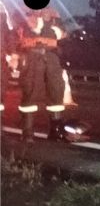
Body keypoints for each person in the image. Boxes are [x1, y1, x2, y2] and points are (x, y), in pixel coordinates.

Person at [17, 8, 67, 142]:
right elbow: (26, 33)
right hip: (32, 57)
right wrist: (44, 25)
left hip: (51, 58)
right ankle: (27, 133)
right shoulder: (24, 15)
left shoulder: (54, 15)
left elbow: (61, 34)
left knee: (56, 91)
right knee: (30, 92)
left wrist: (48, 25)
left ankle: (55, 132)